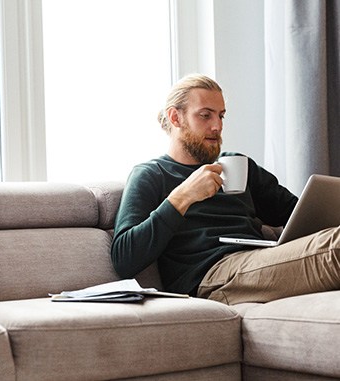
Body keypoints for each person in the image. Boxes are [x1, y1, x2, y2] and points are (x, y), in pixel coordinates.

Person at [111, 73, 340, 305]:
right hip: (211, 276)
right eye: (205, 115)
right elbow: (124, 258)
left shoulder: (236, 165)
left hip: (259, 261)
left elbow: (297, 213)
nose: (217, 126)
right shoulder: (152, 174)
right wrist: (182, 197)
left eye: (221, 116)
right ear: (175, 117)